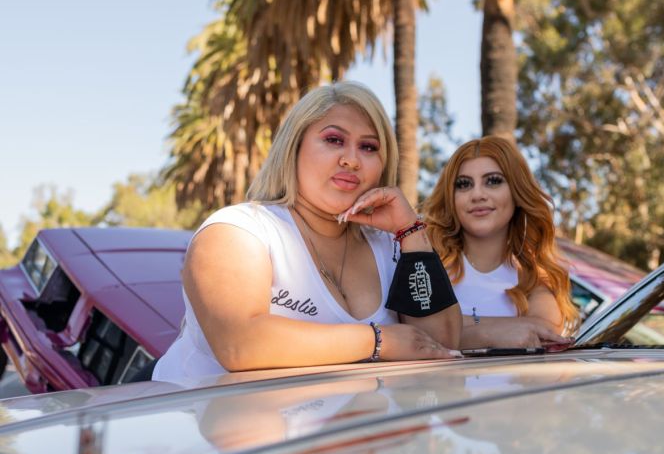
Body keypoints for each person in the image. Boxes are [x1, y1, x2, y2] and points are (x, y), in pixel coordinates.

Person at [153, 82, 462, 382]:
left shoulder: (390, 247)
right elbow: (240, 344)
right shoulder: (239, 230)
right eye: (333, 140)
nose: (351, 160)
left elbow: (441, 342)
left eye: (368, 147)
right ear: (294, 147)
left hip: (352, 430)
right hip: (202, 424)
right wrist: (380, 340)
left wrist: (411, 231)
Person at [424, 137, 577, 350]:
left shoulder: (533, 277)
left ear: (516, 191)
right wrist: (490, 334)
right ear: (451, 197)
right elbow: (419, 333)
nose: (477, 195)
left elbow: (545, 331)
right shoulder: (426, 266)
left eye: (493, 181)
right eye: (463, 184)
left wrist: (456, 326)